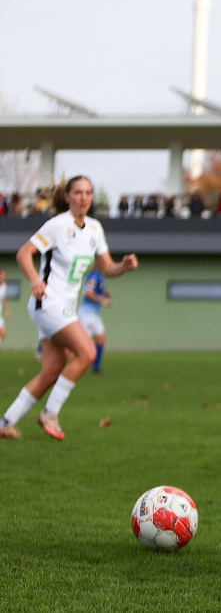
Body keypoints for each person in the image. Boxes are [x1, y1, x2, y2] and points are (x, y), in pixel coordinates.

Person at [0, 175, 138, 440]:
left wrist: (124, 266)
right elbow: (23, 253)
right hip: (48, 302)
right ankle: (50, 412)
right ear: (67, 196)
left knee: (52, 370)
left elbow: (106, 267)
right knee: (86, 352)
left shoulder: (95, 229)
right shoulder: (57, 225)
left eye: (88, 193)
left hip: (64, 307)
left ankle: (7, 421)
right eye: (77, 192)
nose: (83, 197)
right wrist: (34, 280)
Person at [78, 268, 110, 374]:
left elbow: (95, 292)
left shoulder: (100, 276)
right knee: (82, 343)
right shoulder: (93, 275)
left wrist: (105, 294)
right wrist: (103, 300)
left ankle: (95, 368)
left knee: (101, 339)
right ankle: (71, 364)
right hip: (87, 314)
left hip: (94, 314)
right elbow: (88, 293)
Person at [0, 269, 11, 345]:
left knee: (3, 334)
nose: (3, 277)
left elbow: (4, 300)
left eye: (4, 275)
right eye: (2, 275)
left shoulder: (4, 286)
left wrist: (7, 311)